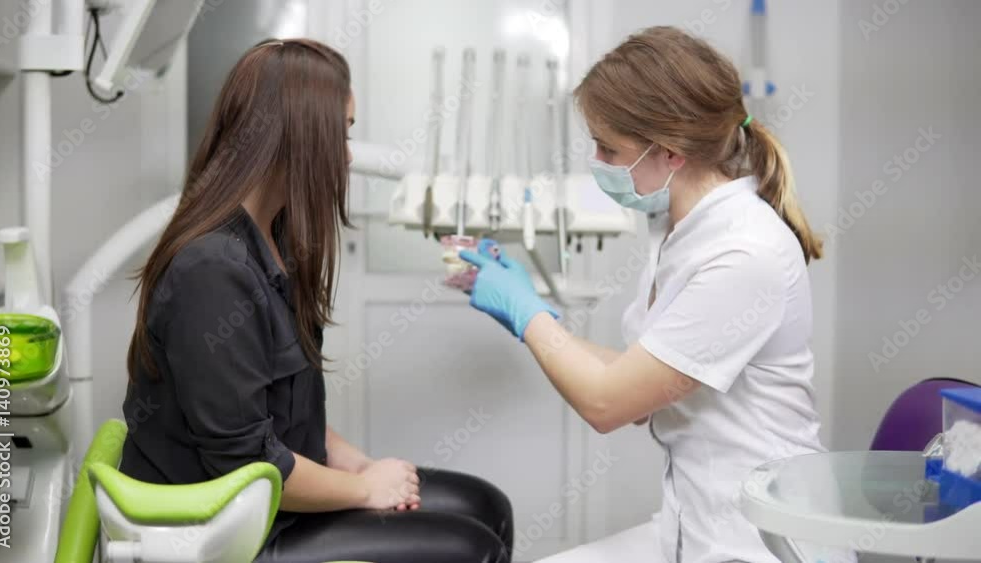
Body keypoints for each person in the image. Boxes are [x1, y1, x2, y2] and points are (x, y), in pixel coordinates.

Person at [120, 38, 512, 563]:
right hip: (226, 531)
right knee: (472, 549)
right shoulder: (213, 271)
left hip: (272, 501)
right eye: (341, 133)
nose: (347, 155)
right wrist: (365, 490)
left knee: (486, 507)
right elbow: (245, 464)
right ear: (298, 134)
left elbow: (287, 415)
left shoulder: (274, 241)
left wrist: (361, 467)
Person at [461, 26, 835, 563]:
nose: (597, 161)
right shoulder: (677, 229)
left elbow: (609, 404)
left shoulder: (744, 254)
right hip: (696, 525)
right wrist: (535, 312)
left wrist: (527, 315)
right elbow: (635, 380)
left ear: (669, 152)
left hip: (757, 542)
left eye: (609, 148)